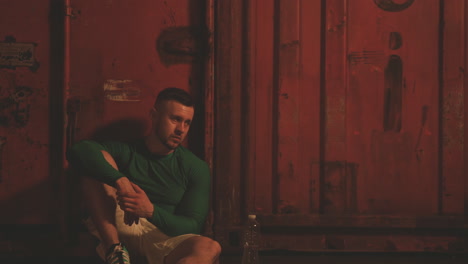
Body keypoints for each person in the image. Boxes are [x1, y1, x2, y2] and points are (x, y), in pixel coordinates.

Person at [67, 87, 221, 264]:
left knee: (211, 248)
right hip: (119, 227)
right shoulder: (128, 151)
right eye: (175, 119)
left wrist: (150, 211)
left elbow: (192, 225)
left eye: (187, 123)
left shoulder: (196, 167)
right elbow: (79, 150)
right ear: (154, 115)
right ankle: (115, 252)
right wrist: (120, 180)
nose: (181, 129)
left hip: (162, 237)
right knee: (94, 165)